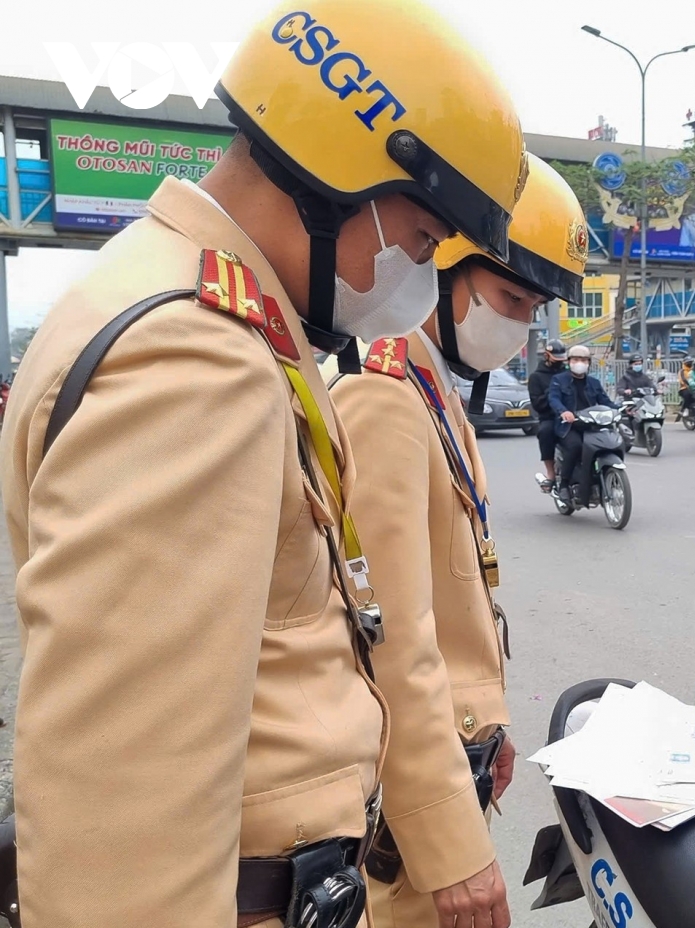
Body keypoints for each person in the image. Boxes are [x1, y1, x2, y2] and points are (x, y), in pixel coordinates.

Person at [0, 1, 528, 924]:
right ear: (343, 181)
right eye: (418, 239)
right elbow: (127, 816)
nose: (416, 270)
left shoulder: (187, 308)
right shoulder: (194, 362)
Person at [330, 154, 587, 928]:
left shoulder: (432, 390)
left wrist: (488, 718)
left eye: (534, 307)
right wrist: (447, 840)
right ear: (442, 269)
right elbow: (390, 638)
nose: (520, 324)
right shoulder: (383, 397)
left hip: (456, 749)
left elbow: (457, 597)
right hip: (403, 807)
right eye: (510, 296)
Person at [550, 344, 618, 504]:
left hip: (593, 425)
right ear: (569, 361)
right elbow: (553, 399)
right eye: (576, 359)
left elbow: (605, 401)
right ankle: (565, 485)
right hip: (569, 426)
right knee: (575, 446)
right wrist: (563, 412)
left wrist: (621, 409)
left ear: (588, 363)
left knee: (610, 443)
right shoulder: (559, 380)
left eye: (583, 360)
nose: (579, 362)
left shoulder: (594, 382)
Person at [531, 339, 569, 490]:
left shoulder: (568, 373)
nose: (559, 362)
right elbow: (537, 404)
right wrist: (552, 391)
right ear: (547, 356)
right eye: (556, 359)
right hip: (550, 417)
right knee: (545, 432)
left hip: (571, 414)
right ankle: (550, 472)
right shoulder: (536, 377)